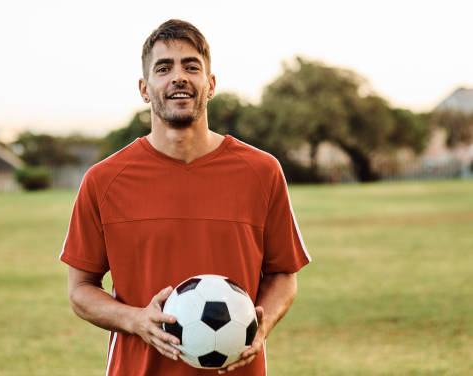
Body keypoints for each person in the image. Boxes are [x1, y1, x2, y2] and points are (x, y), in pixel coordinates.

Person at [60, 19, 311, 375]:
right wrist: (136, 320)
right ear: (144, 88)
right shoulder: (104, 180)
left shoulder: (261, 171)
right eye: (164, 68)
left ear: (210, 85)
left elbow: (284, 274)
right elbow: (80, 290)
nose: (178, 76)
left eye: (191, 66)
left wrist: (261, 326)